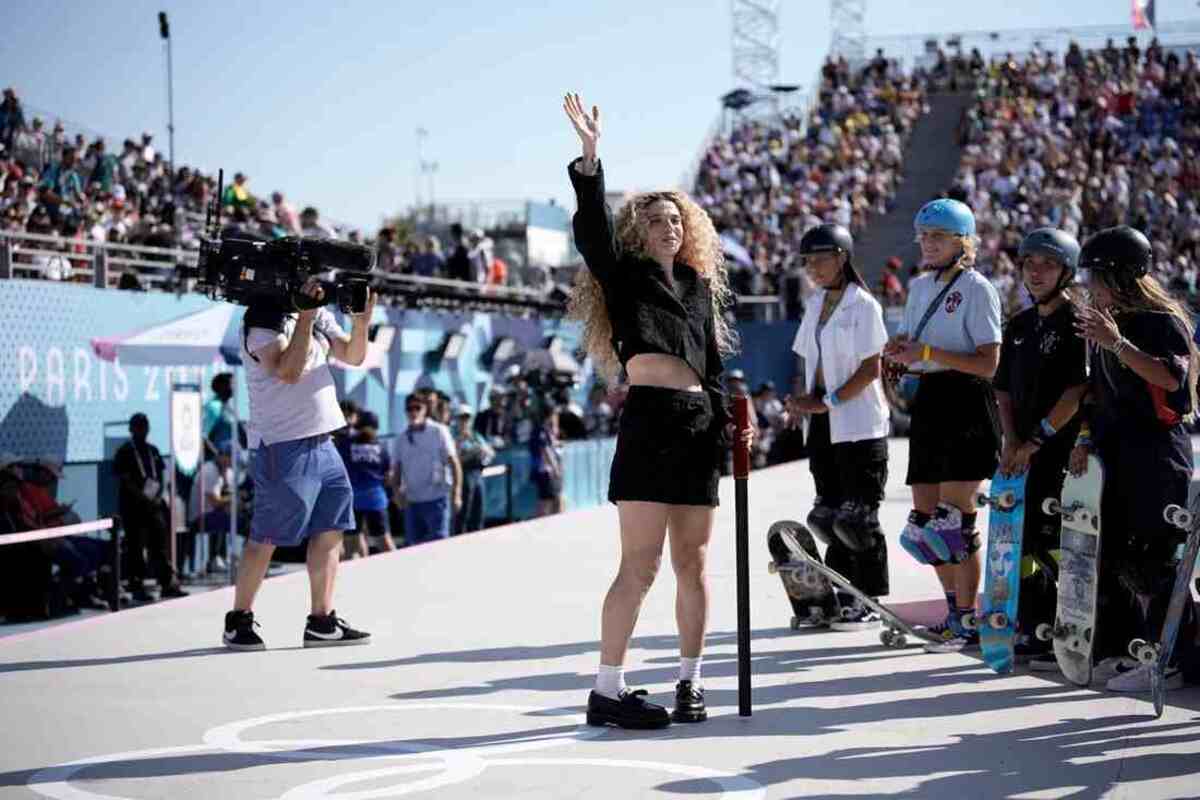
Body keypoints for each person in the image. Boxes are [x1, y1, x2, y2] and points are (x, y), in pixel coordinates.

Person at [564, 92, 754, 729]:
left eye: (676, 221)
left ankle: (690, 681)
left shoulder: (699, 288)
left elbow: (713, 366)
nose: (668, 228)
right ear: (638, 232)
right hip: (650, 422)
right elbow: (591, 232)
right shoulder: (623, 275)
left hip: (701, 427)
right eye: (656, 222)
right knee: (639, 566)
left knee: (693, 565)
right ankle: (607, 687)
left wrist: (732, 422)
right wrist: (591, 158)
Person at [1071, 226, 1200, 692]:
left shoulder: (1158, 319)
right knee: (1127, 563)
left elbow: (1171, 381)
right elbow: (1097, 395)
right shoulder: (1103, 321)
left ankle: (1174, 658)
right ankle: (1141, 650)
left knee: (1159, 561)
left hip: (1157, 455)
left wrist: (1117, 343)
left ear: (1124, 276)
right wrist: (1084, 437)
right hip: (1116, 453)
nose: (1091, 288)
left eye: (1098, 278)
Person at [222, 280, 375, 651]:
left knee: (331, 529)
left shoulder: (314, 312)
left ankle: (321, 621)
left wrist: (361, 322)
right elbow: (288, 371)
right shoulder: (262, 321)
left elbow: (353, 357)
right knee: (268, 535)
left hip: (325, 440)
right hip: (282, 445)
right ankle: (237, 621)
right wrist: (304, 318)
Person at [883, 198, 1002, 653]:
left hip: (967, 400)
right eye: (924, 236)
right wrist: (901, 349)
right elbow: (916, 345)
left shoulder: (977, 288)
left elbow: (989, 362)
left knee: (955, 524)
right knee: (925, 525)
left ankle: (967, 619)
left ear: (962, 241)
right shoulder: (917, 288)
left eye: (937, 236)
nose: (927, 244)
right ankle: (954, 614)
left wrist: (928, 355)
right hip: (930, 402)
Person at [787, 224, 891, 630]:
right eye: (807, 261)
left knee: (857, 517)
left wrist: (827, 401)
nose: (813, 267)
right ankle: (839, 593)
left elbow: (871, 368)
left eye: (820, 258)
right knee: (828, 516)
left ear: (843, 257)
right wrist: (802, 402)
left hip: (861, 425)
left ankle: (869, 598)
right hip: (825, 429)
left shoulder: (863, 305)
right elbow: (808, 363)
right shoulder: (814, 304)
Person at [992, 229, 1087, 670]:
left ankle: (1062, 628)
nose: (1035, 271)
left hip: (1059, 452)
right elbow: (1004, 391)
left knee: (1054, 542)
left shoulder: (1077, 322)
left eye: (1047, 264)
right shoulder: (1019, 324)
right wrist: (1011, 440)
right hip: (1021, 453)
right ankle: (1031, 625)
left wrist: (1036, 439)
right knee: (1024, 543)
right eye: (1029, 263)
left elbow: (1076, 392)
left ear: (1066, 271)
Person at [113, 413, 187, 603]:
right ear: (131, 429)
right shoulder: (125, 452)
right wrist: (143, 497)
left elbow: (160, 477)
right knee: (135, 547)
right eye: (138, 427)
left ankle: (166, 584)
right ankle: (137, 587)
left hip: (153, 506)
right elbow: (125, 480)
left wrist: (156, 496)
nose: (142, 430)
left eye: (144, 426)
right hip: (133, 507)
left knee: (159, 544)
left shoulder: (153, 450)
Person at [389, 393, 462, 545]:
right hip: (412, 502)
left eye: (418, 407)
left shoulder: (439, 431)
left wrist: (457, 493)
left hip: (437, 499)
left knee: (440, 545)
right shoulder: (401, 438)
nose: (413, 412)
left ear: (425, 410)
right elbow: (396, 470)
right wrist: (396, 493)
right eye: (410, 408)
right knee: (414, 548)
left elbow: (454, 462)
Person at [337, 411, 396, 558]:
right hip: (376, 500)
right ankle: (399, 570)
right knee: (384, 541)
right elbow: (388, 475)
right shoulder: (381, 448)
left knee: (352, 543)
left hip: (354, 500)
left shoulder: (347, 444)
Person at [189, 441, 235, 572]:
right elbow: (215, 501)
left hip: (215, 513)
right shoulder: (209, 470)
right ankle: (216, 558)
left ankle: (226, 557)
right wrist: (234, 498)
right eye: (227, 456)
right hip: (200, 517)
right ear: (219, 456)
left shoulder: (228, 472)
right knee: (229, 520)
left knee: (239, 518)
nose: (230, 460)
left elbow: (229, 497)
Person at [451, 404, 494, 534]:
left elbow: (490, 452)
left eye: (467, 418)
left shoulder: (475, 435)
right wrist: (470, 453)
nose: (465, 422)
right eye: (462, 418)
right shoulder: (453, 436)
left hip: (477, 474)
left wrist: (483, 452)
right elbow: (455, 458)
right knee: (464, 513)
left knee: (478, 511)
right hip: (463, 475)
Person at [530, 405, 565, 517]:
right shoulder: (540, 431)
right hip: (545, 472)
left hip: (548, 471)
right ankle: (539, 526)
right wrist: (555, 469)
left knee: (555, 500)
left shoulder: (546, 431)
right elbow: (545, 451)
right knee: (545, 502)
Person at [203, 372, 239, 459]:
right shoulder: (214, 406)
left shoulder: (227, 406)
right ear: (224, 386)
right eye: (233, 384)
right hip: (217, 460)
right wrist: (218, 454)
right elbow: (204, 434)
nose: (236, 388)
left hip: (230, 459)